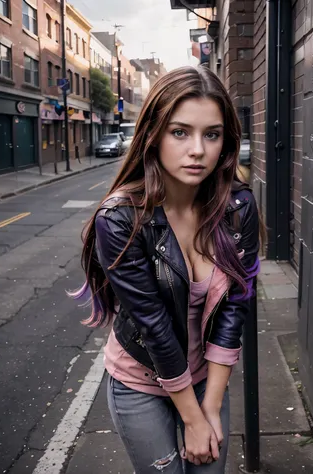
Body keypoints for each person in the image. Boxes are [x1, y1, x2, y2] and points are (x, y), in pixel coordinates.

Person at [71, 66, 261, 473]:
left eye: (211, 134)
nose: (197, 150)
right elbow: (153, 326)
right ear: (153, 135)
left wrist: (209, 406)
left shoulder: (237, 207)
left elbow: (236, 307)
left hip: (206, 378)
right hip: (141, 381)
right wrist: (192, 419)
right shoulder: (121, 220)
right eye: (180, 132)